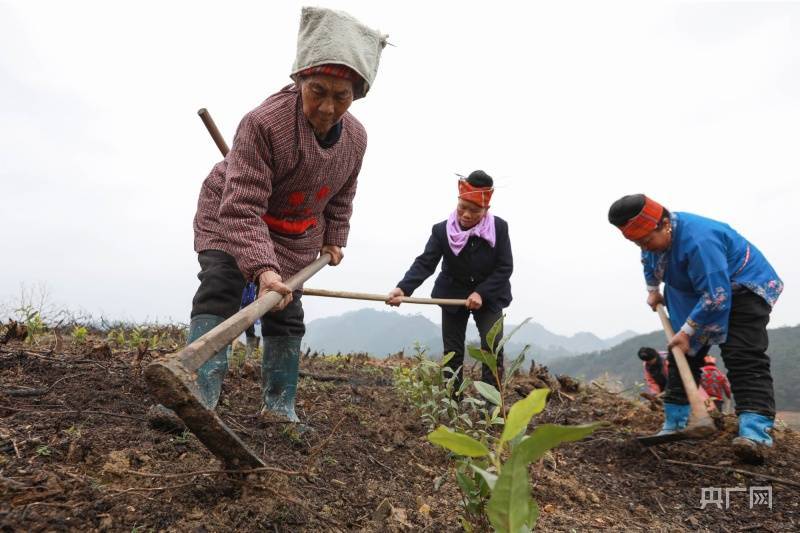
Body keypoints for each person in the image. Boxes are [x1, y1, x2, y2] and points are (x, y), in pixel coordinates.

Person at [150, 7, 387, 428]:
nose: (328, 107)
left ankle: (280, 408)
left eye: (342, 96)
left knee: (284, 310)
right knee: (221, 290)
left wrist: (334, 237)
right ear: (299, 80)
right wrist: (262, 268)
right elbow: (241, 207)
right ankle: (195, 397)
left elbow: (341, 193)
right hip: (231, 215)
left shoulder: (356, 139)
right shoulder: (263, 124)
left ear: (357, 95)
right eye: (318, 91)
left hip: (295, 232)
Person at [608, 194, 783, 462]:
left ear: (664, 224)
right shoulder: (651, 242)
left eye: (646, 240)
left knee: (742, 355)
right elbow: (648, 261)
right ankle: (675, 422)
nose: (644, 247)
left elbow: (717, 295)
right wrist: (654, 290)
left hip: (740, 288)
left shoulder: (700, 240)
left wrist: (688, 331)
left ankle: (755, 433)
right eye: (637, 243)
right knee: (682, 355)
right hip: (692, 292)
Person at [386, 171, 513, 389]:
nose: (466, 214)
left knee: (492, 349)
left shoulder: (499, 228)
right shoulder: (441, 231)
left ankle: (492, 406)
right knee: (452, 352)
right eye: (462, 207)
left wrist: (480, 293)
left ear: (486, 210)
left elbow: (504, 267)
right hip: (452, 293)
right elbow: (425, 263)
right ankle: (452, 401)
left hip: (490, 295)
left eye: (474, 211)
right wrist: (403, 289)